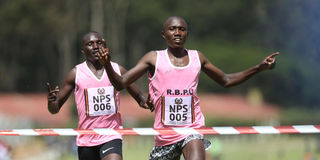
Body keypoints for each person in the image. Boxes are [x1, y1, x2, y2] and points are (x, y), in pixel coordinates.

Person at [97, 16, 279, 160]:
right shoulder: (153, 58)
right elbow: (121, 83)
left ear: (187, 34)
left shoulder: (197, 58)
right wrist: (106, 65)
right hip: (164, 135)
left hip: (191, 128)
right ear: (164, 34)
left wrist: (258, 68)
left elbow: (226, 80)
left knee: (194, 144)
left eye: (182, 29)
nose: (177, 32)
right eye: (172, 29)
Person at [47, 31, 153, 160]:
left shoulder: (117, 70)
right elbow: (55, 109)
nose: (95, 46)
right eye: (90, 44)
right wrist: (51, 102)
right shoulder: (75, 74)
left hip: (111, 135)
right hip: (86, 139)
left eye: (98, 43)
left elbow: (140, 98)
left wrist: (147, 102)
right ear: (83, 50)